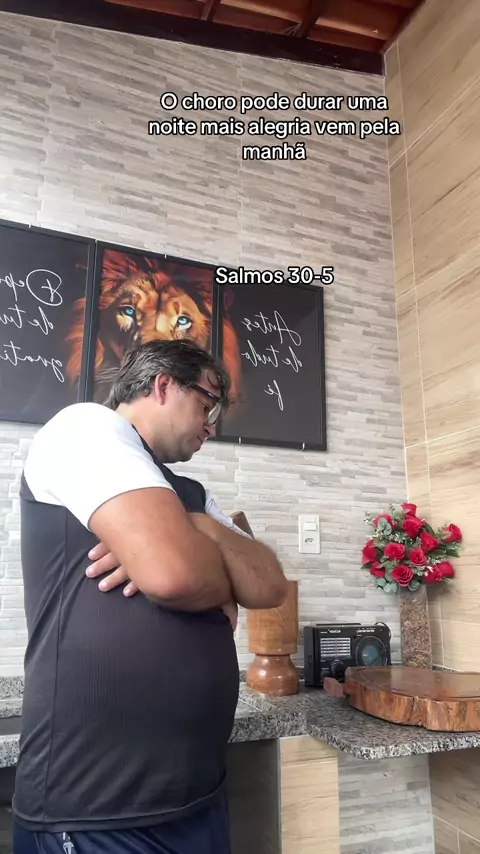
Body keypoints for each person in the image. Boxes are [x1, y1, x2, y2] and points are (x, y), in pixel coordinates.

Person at [13, 339, 288, 854]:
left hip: (197, 793)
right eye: (208, 404)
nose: (211, 426)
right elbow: (173, 575)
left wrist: (198, 527)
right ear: (163, 385)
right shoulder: (86, 427)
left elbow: (269, 585)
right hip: (98, 805)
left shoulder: (193, 497)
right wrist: (213, 574)